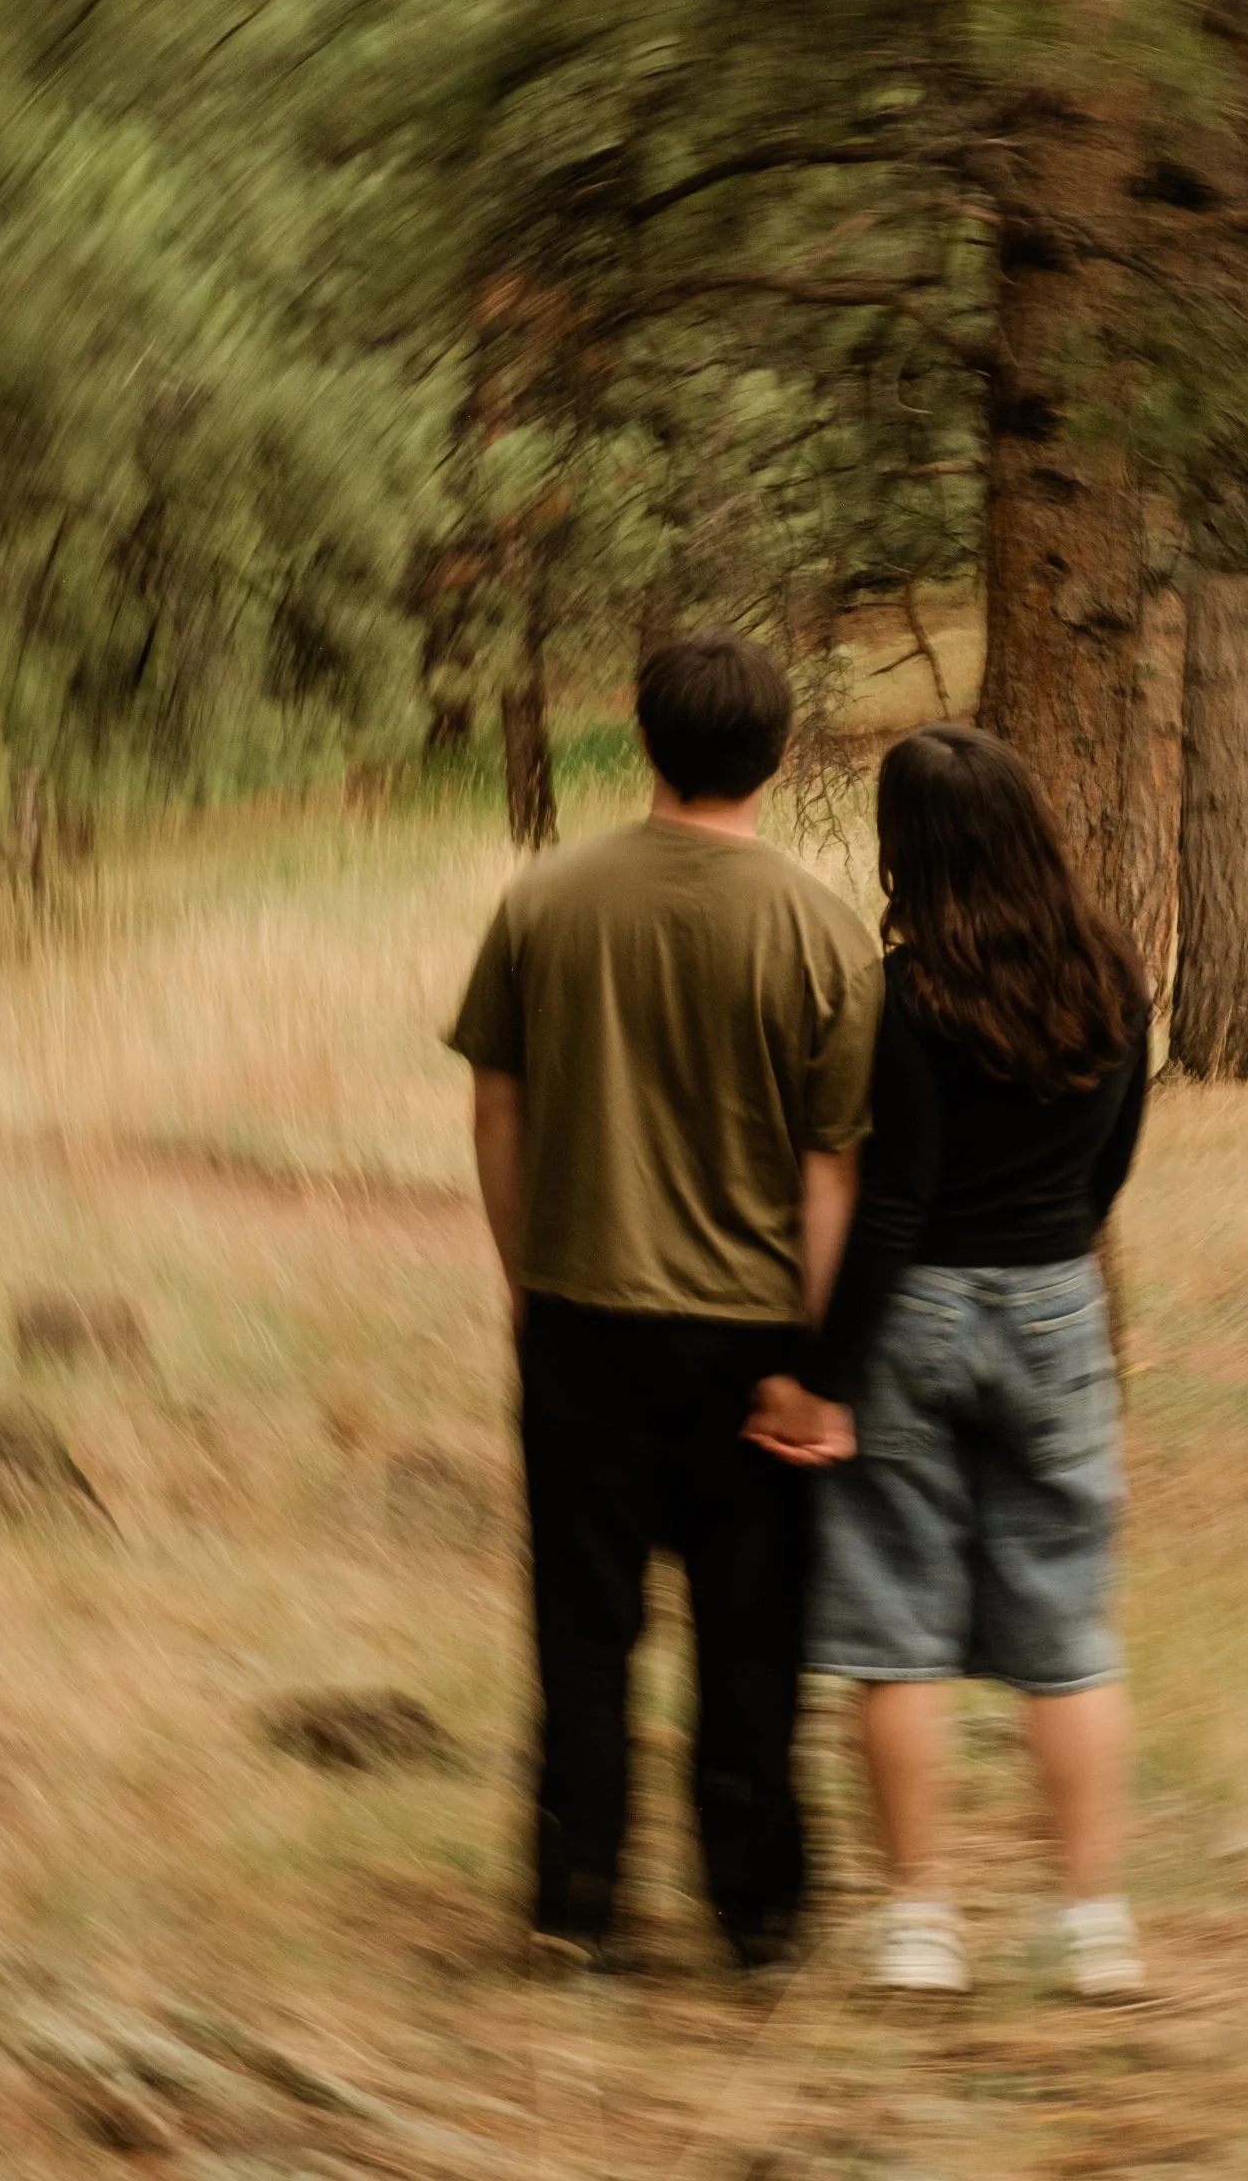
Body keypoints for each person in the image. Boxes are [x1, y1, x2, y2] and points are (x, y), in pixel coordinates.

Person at [451, 632, 881, 1975]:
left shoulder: (543, 902)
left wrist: (526, 1279)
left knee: (581, 1629)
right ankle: (756, 1914)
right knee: (754, 1639)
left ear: (641, 739)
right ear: (781, 752)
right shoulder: (820, 928)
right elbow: (832, 1174)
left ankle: (574, 1900)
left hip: (581, 1314)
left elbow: (499, 1110)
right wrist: (816, 1358)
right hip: (754, 1340)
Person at [750, 722, 1150, 2001]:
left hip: (913, 1314)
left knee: (892, 1632)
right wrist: (1052, 1266)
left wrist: (824, 1372)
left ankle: (921, 1922)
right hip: (1054, 1302)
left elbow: (894, 1204)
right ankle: (1091, 1922)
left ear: (904, 849)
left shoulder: (905, 996)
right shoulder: (1112, 976)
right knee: (1067, 1630)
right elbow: (1108, 1167)